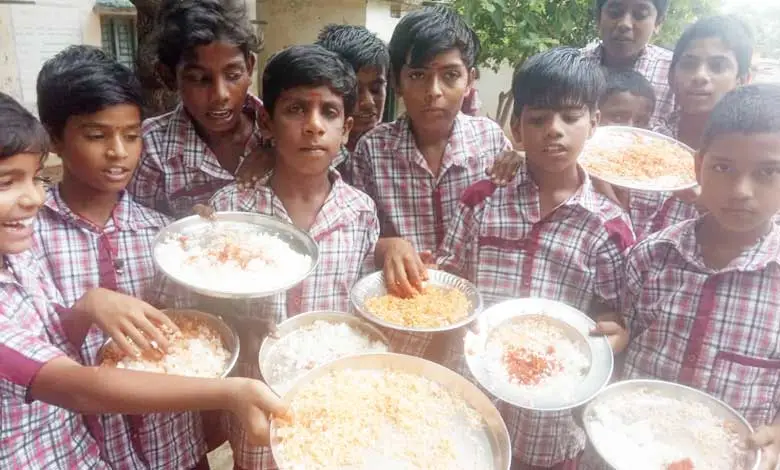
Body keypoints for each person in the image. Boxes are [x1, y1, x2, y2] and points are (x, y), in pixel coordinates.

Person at [0, 91, 284, 469]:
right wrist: (230, 392)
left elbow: (52, 340)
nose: (34, 198)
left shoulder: (14, 263)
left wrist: (87, 308)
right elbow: (77, 386)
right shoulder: (33, 241)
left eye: (35, 178)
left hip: (105, 451)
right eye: (7, 183)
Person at [438, 47, 633, 470]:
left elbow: (612, 312)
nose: (554, 131)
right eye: (539, 118)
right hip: (472, 399)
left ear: (594, 123)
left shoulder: (609, 227)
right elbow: (451, 280)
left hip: (552, 418)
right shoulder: (481, 201)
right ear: (517, 128)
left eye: (570, 117)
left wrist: (615, 332)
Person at [33, 45, 208, 469]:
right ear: (54, 138)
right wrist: (86, 308)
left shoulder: (161, 234)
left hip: (173, 444)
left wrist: (212, 245)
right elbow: (26, 359)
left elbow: (194, 332)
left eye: (131, 135)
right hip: (85, 450)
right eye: (97, 135)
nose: (119, 152)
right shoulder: (27, 237)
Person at [207, 44, 378, 470]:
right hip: (255, 399)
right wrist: (232, 324)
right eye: (296, 109)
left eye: (330, 113)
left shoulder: (359, 212)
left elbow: (360, 305)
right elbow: (201, 300)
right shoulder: (232, 209)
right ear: (266, 121)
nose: (313, 127)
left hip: (333, 396)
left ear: (347, 127)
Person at [594, 84, 780, 470]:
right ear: (697, 168)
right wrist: (619, 333)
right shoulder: (651, 255)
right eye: (722, 168)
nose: (741, 191)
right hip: (631, 449)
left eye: (767, 173)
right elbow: (629, 333)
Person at [349, 5, 512, 363]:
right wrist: (385, 246)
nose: (433, 91)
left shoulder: (491, 142)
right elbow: (357, 234)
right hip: (401, 316)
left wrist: (528, 160)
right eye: (418, 75)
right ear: (396, 79)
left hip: (474, 322)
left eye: (450, 75)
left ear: (470, 80)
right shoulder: (372, 150)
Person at [127, 0, 264, 218]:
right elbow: (144, 229)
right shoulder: (151, 148)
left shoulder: (283, 130)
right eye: (199, 79)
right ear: (168, 77)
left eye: (233, 75)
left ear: (249, 67)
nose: (220, 94)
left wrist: (275, 151)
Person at [655, 15, 753, 149]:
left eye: (717, 66)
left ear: (742, 81)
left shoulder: (752, 149)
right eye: (689, 64)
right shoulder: (649, 139)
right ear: (671, 76)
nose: (700, 76)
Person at [583, 0, 673, 128]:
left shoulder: (674, 74)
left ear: (658, 23)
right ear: (598, 17)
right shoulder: (573, 67)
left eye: (640, 15)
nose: (625, 24)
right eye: (615, 13)